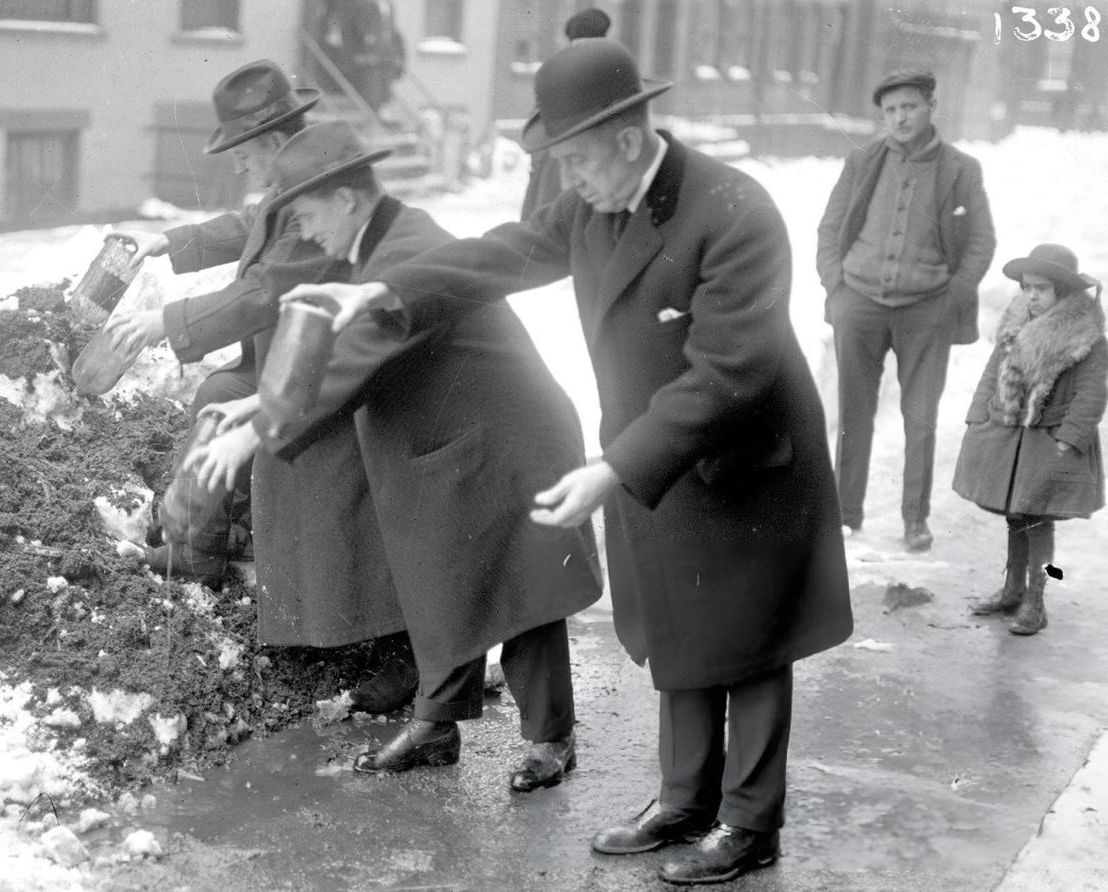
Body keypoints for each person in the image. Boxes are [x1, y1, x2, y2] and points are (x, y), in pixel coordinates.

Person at [285, 39, 853, 885]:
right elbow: (504, 252)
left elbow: (729, 374)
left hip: (743, 465)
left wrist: (614, 467)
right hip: (654, 459)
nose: (569, 181)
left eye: (577, 160)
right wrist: (386, 290)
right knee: (681, 630)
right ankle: (685, 799)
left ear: (627, 139)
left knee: (751, 643)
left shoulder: (734, 209)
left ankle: (748, 822)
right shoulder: (596, 203)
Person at [193, 119, 603, 792]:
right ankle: (436, 727)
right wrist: (258, 400)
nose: (305, 228)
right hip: (452, 442)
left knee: (517, 590)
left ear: (348, 200)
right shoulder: (375, 243)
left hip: (505, 439)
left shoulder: (407, 245)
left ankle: (552, 738)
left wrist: (260, 427)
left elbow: (362, 350)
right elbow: (336, 340)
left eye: (308, 213)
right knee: (439, 580)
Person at [105, 59, 417, 714]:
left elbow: (266, 289)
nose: (242, 168)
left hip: (331, 363)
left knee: (240, 415)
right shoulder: (289, 179)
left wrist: (166, 321)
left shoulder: (315, 186)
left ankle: (383, 642)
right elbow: (249, 228)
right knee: (218, 395)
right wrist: (172, 241)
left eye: (243, 154)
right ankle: (197, 544)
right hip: (291, 353)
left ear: (271, 144)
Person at [816, 69, 997, 551]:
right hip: (859, 302)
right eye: (891, 110)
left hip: (926, 310)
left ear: (931, 106)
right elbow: (831, 228)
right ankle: (844, 513)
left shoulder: (961, 168)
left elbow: (981, 241)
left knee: (921, 418)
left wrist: (951, 298)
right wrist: (837, 290)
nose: (899, 117)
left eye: (909, 107)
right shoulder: (862, 160)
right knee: (854, 412)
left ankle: (915, 520)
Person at [952, 244, 1106, 636]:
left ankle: (1036, 601)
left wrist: (1069, 441)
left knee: (1038, 520)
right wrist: (978, 414)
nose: (1031, 295)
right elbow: (993, 372)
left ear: (1063, 292)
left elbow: (1092, 393)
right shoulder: (1016, 324)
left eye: (1041, 288)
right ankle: (1012, 588)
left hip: (1049, 439)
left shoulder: (1086, 337)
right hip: (1011, 439)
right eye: (1026, 287)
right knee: (1015, 514)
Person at [518, 7, 611, 220]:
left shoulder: (554, 72)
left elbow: (535, 132)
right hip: (574, 171)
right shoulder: (607, 72)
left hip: (554, 170)